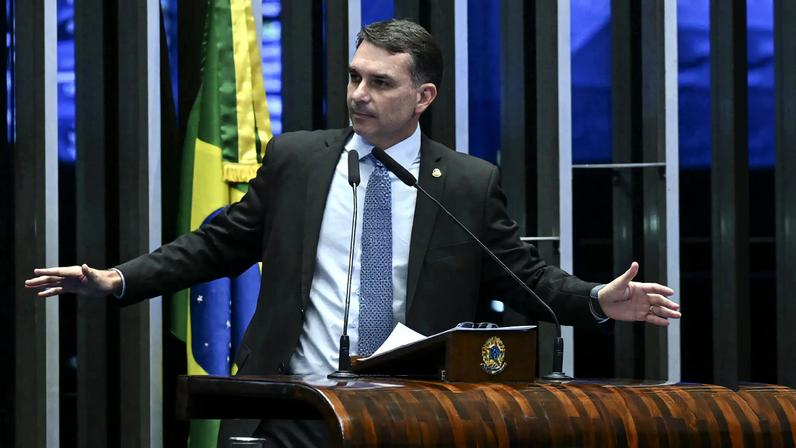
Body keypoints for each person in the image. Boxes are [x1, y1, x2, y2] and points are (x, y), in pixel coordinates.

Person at [26, 19, 679, 446]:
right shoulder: (298, 161)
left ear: (423, 97)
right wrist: (117, 278)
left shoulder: (466, 184)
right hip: (288, 409)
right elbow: (216, 244)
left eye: (380, 82)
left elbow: (526, 278)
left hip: (409, 418)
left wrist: (598, 301)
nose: (359, 93)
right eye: (354, 77)